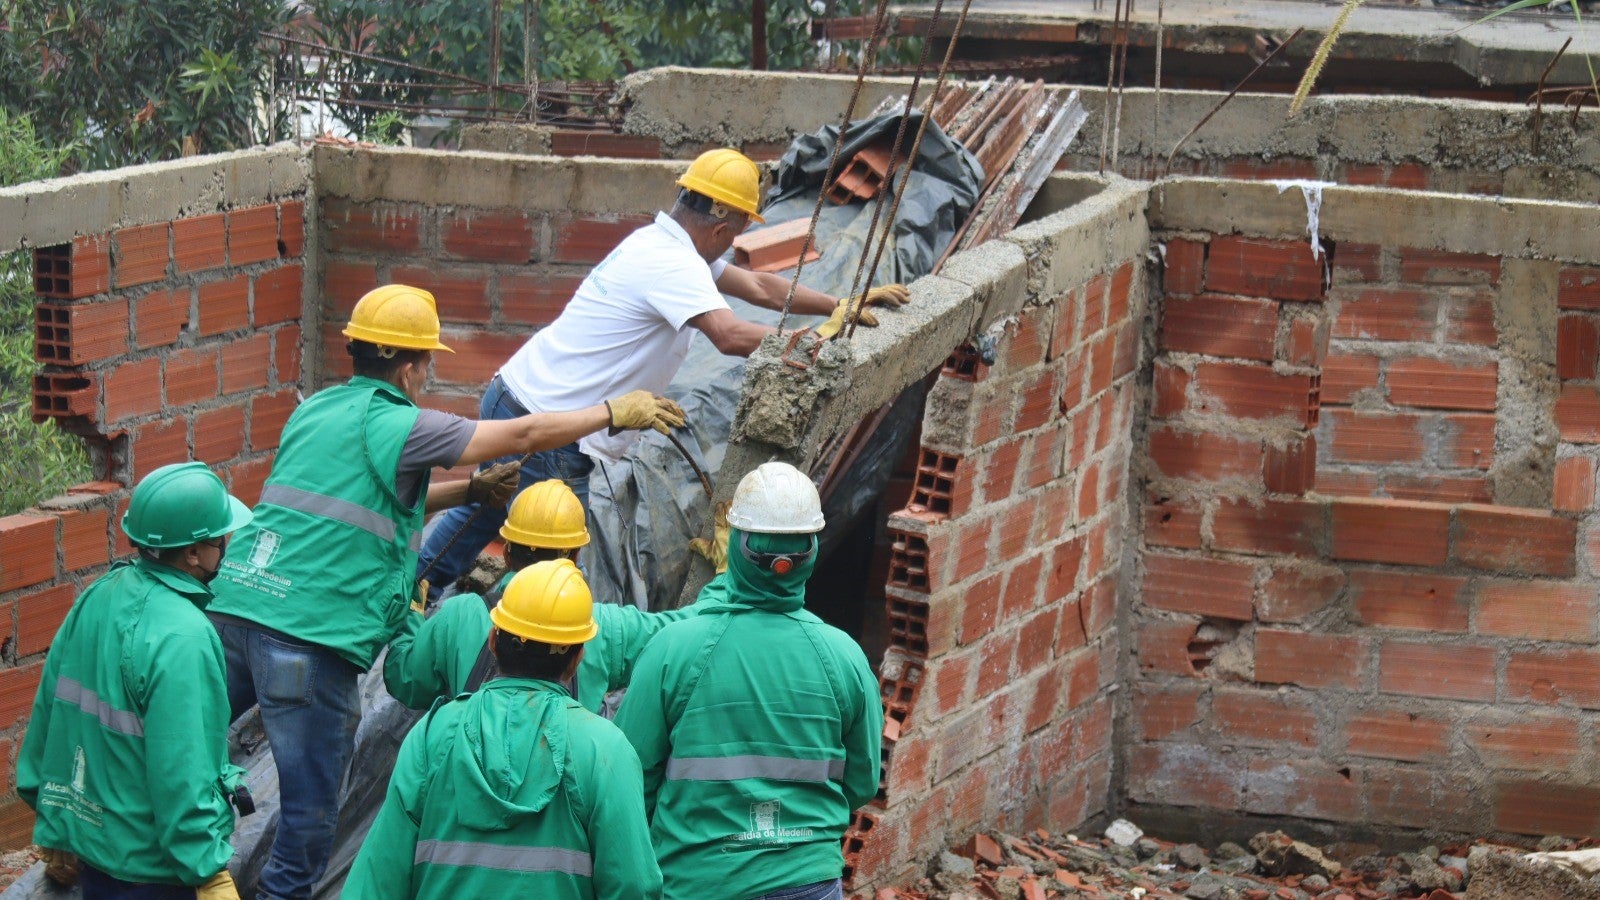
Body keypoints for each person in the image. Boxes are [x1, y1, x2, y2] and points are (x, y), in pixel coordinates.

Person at [204, 283, 683, 899]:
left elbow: (369, 507)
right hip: (308, 639)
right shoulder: (405, 424)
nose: (426, 376)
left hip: (236, 608)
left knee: (187, 755)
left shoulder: (316, 410)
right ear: (408, 368)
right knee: (308, 819)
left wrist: (465, 496)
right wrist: (613, 412)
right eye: (427, 364)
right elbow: (521, 434)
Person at [416, 146, 912, 596]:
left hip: (515, 392)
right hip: (555, 432)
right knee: (558, 567)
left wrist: (839, 304)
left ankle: (419, 586)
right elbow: (730, 335)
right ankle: (520, 657)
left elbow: (760, 288)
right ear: (722, 228)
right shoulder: (675, 265)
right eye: (738, 232)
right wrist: (816, 342)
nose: (733, 243)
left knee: (485, 507)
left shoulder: (661, 244)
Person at [615, 462, 884, 900]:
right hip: (808, 881)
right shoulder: (844, 657)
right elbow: (862, 781)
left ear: (736, 547)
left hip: (698, 881)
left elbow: (628, 777)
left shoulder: (674, 649)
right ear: (810, 552)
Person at [344, 560, 661, 900]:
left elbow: (377, 878)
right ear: (576, 660)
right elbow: (633, 886)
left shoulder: (433, 735)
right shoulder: (604, 749)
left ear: (494, 640)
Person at [17, 462, 254, 899]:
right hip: (154, 871)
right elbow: (183, 770)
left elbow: (52, 710)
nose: (229, 542)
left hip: (94, 852)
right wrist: (209, 873)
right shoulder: (184, 635)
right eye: (221, 536)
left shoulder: (98, 594)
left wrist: (52, 815)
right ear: (194, 554)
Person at [385, 478, 711, 713]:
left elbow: (406, 681)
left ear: (508, 554)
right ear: (576, 558)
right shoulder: (603, 627)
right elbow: (688, 630)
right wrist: (734, 573)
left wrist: (411, 617)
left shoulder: (459, 615)